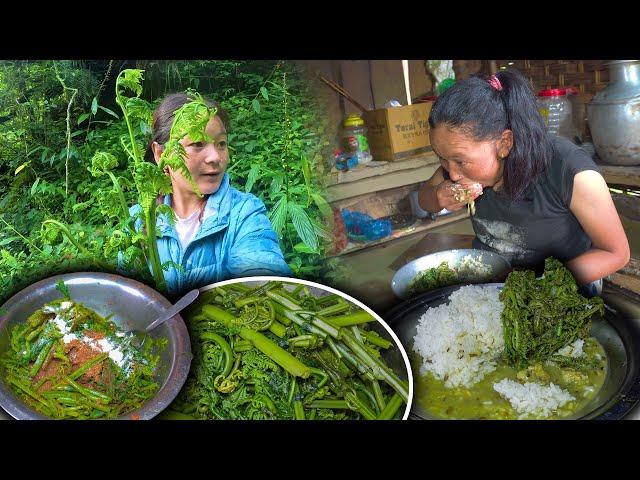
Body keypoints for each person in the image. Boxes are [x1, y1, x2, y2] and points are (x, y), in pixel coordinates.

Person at [418, 69, 630, 295]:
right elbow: (425, 199)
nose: (452, 172)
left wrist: (537, 288)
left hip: (561, 288)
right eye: (441, 157)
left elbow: (615, 253)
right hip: (492, 283)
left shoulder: (568, 169)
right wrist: (438, 196)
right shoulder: (456, 167)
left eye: (460, 161)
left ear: (504, 143)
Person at [130, 92, 291, 294]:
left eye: (221, 143)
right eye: (198, 143)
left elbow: (265, 278)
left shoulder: (244, 214)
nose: (216, 157)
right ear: (161, 154)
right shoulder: (138, 220)